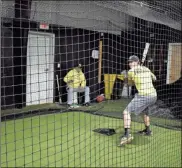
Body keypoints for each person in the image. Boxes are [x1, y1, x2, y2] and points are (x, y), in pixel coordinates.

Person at [119, 55, 157, 146]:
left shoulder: (131, 71)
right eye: (129, 62)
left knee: (126, 112)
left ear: (137, 62)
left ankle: (127, 135)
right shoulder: (147, 69)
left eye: (132, 62)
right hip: (153, 96)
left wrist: (125, 80)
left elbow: (129, 83)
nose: (130, 64)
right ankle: (148, 130)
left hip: (144, 96)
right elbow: (155, 78)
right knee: (144, 112)